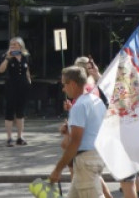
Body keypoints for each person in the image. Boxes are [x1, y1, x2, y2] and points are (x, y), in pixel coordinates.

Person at [49, 65, 106, 198]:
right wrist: (69, 129)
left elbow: (75, 142)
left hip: (85, 161)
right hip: (96, 156)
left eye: (64, 84)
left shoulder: (79, 106)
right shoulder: (97, 101)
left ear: (73, 84)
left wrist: (58, 169)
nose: (63, 88)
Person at [0, 37, 31, 147]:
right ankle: (9, 138)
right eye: (11, 45)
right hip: (11, 86)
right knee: (10, 112)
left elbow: (27, 70)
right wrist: (8, 58)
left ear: (20, 46)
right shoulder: (6, 56)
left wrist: (29, 80)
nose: (12, 47)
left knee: (20, 112)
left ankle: (20, 137)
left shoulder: (26, 56)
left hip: (23, 86)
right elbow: (1, 70)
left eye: (15, 45)